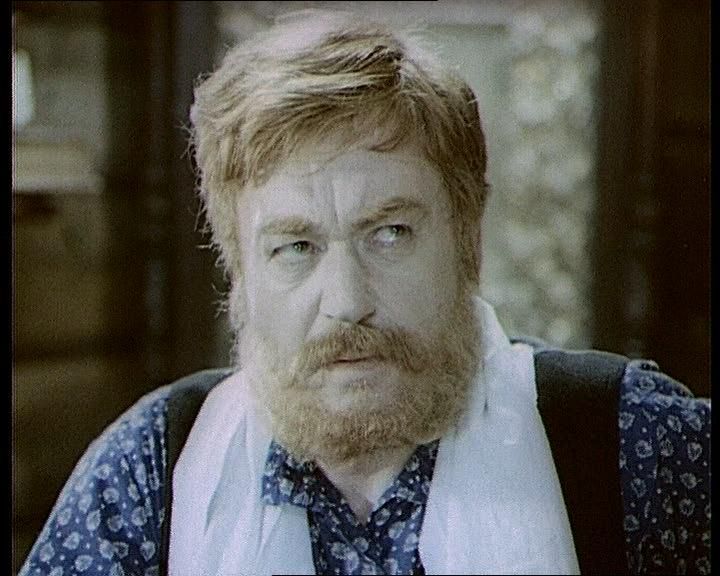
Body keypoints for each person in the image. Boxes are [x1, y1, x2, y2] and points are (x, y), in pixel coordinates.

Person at [20, 11, 710, 576]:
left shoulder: (632, 443)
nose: (347, 301)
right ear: (240, 276)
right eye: (296, 247)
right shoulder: (150, 473)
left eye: (390, 234)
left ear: (467, 242)